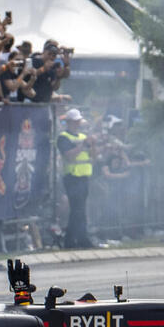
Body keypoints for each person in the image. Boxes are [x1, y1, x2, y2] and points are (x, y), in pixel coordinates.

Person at [57, 107, 95, 249]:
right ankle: (74, 240)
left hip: (84, 176)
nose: (78, 124)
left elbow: (93, 157)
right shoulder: (63, 138)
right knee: (77, 209)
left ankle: (77, 239)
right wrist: (82, 146)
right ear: (69, 122)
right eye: (75, 121)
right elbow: (69, 155)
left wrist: (92, 145)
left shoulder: (83, 137)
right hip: (72, 176)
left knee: (81, 209)